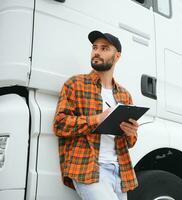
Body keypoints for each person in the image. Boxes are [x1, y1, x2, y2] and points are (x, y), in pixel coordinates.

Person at [53, 30, 139, 200]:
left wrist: (131, 133)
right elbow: (60, 124)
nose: (97, 52)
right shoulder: (75, 84)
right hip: (89, 169)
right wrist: (98, 119)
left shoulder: (124, 95)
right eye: (94, 47)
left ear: (117, 56)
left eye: (105, 48)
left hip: (120, 171)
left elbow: (129, 142)